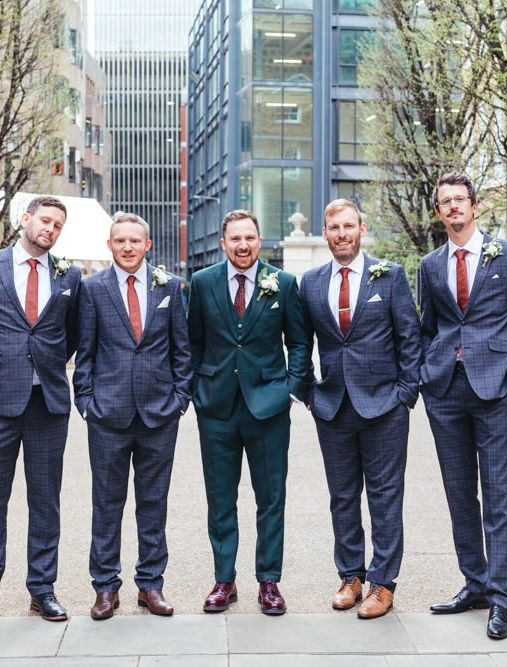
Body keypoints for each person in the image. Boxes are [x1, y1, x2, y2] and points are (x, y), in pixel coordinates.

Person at [420, 172, 507, 639]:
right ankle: (475, 583)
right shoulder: (430, 265)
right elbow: (429, 326)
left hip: (495, 390)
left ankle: (501, 599)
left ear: (474, 206)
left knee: (499, 495)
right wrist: (429, 376)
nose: (453, 208)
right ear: (438, 212)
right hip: (446, 391)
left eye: (459, 200)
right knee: (458, 492)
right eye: (445, 201)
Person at [299, 199, 421, 619]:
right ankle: (350, 575)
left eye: (348, 226)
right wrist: (308, 394)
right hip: (332, 407)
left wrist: (405, 394)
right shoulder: (311, 283)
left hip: (385, 406)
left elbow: (410, 337)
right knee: (343, 496)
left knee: (386, 496)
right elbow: (301, 345)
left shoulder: (389, 277)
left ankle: (382, 584)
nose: (341, 234)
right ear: (326, 231)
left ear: (361, 229)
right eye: (333, 227)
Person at [187, 209, 309, 615]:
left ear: (260, 240)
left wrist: (290, 390)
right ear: (223, 243)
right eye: (235, 238)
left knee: (270, 497)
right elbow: (193, 341)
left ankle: (269, 581)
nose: (243, 245)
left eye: (250, 238)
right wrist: (197, 389)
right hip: (217, 408)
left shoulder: (284, 284)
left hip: (268, 408)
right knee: (220, 498)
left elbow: (299, 342)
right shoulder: (202, 283)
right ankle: (225, 580)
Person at [73, 212, 192, 620]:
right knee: (106, 504)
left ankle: (151, 584)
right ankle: (105, 587)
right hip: (107, 415)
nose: (127, 247)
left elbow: (182, 350)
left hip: (160, 415)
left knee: (153, 503)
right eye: (120, 241)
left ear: (147, 245)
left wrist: (180, 399)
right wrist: (87, 402)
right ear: (110, 245)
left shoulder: (170, 288)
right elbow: (84, 353)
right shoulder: (92, 289)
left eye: (134, 241)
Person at [0, 196, 81, 622]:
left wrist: (46, 365)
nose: (50, 229)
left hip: (48, 402)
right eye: (44, 221)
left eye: (57, 225)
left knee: (46, 500)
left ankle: (42, 589)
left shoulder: (71, 275)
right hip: (1, 399)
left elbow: (71, 337)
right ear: (26, 219)